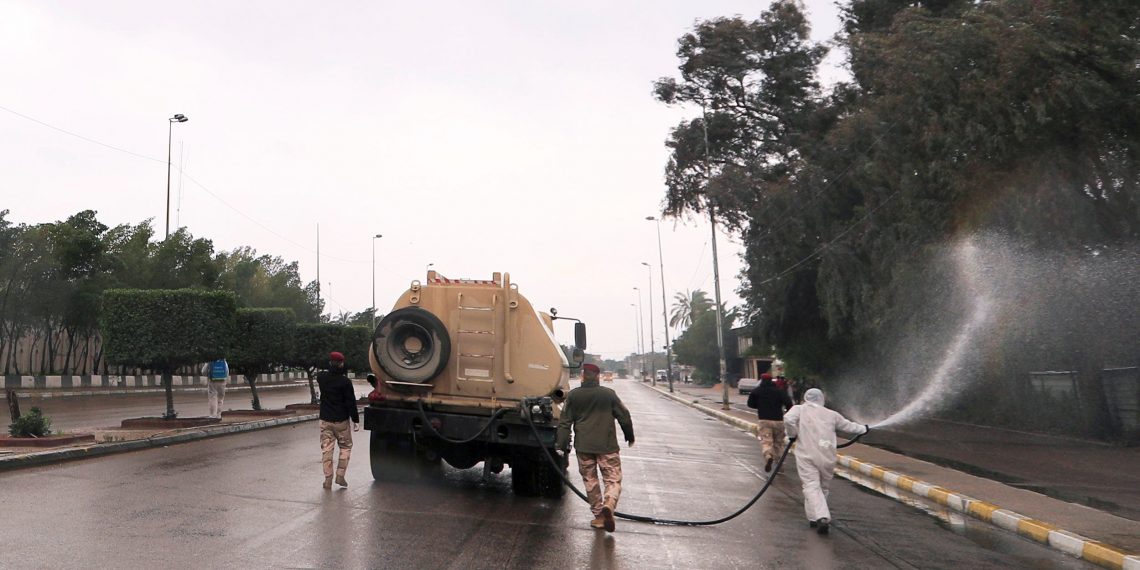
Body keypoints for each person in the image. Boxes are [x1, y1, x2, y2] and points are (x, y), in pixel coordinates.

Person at [556, 363, 634, 532]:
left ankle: (599, 516)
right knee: (613, 479)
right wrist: (629, 435)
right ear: (598, 376)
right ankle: (609, 504)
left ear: (583, 376)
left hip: (584, 447)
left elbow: (564, 422)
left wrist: (560, 444)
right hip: (607, 447)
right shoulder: (608, 395)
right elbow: (624, 416)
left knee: (590, 481)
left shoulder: (574, 396)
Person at [783, 388, 869, 535]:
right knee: (821, 488)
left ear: (806, 398)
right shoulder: (831, 414)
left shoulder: (799, 409)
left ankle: (822, 517)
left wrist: (793, 434)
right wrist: (863, 429)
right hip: (827, 455)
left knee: (811, 486)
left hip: (807, 454)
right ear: (821, 398)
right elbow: (848, 426)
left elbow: (788, 419)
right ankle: (813, 518)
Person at [317, 351, 360, 489]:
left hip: (325, 420)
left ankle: (327, 479)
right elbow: (350, 402)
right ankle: (340, 476)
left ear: (330, 362)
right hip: (341, 421)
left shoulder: (321, 378)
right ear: (342, 364)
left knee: (326, 450)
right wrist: (356, 420)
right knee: (346, 447)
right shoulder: (345, 382)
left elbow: (323, 371)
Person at [746, 372, 793, 473]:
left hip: (764, 420)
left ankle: (768, 456)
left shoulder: (756, 391)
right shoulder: (779, 391)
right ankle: (779, 464)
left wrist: (760, 406)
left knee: (766, 442)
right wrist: (786, 412)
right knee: (778, 443)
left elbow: (750, 404)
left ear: (762, 380)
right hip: (779, 421)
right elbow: (789, 403)